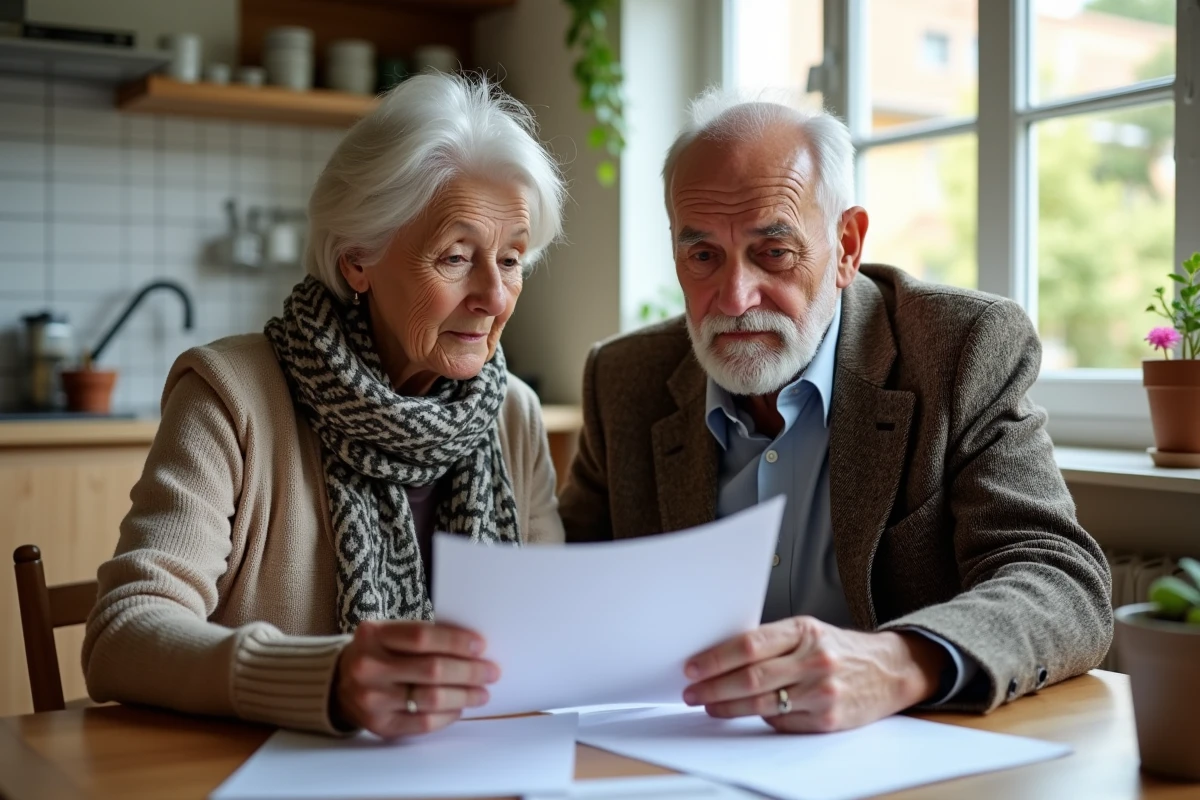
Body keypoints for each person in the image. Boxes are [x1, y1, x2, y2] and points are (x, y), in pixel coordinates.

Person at [559, 88, 1113, 732]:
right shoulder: (625, 380)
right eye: (703, 255)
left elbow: (1060, 578)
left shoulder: (960, 350)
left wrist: (894, 663)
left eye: (774, 252)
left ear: (846, 245)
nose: (734, 299)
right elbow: (568, 587)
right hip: (681, 756)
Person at [83, 74, 567, 738]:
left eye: (510, 260)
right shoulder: (231, 397)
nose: (494, 295)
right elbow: (124, 634)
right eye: (456, 258)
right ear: (356, 262)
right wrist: (326, 680)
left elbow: (553, 634)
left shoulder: (513, 412)